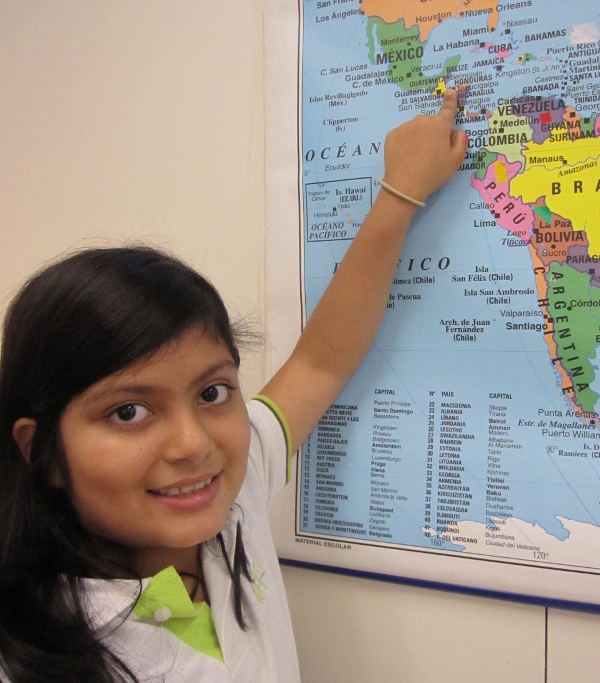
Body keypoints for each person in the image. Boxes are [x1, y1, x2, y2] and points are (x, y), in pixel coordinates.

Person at [0, 90, 467, 683]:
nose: (194, 443)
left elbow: (320, 363)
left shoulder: (230, 495)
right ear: (41, 452)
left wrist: (400, 191)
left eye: (212, 393)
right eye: (129, 412)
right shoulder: (32, 656)